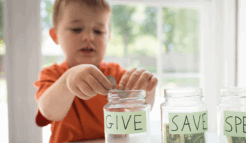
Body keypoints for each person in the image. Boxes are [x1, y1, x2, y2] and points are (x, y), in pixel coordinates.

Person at [33, 0, 158, 142]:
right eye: (76, 29)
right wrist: (67, 81)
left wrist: (146, 93)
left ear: (108, 37)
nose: (89, 37)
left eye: (98, 31)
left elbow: (135, 110)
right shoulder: (53, 74)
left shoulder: (117, 73)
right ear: (55, 35)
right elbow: (49, 112)